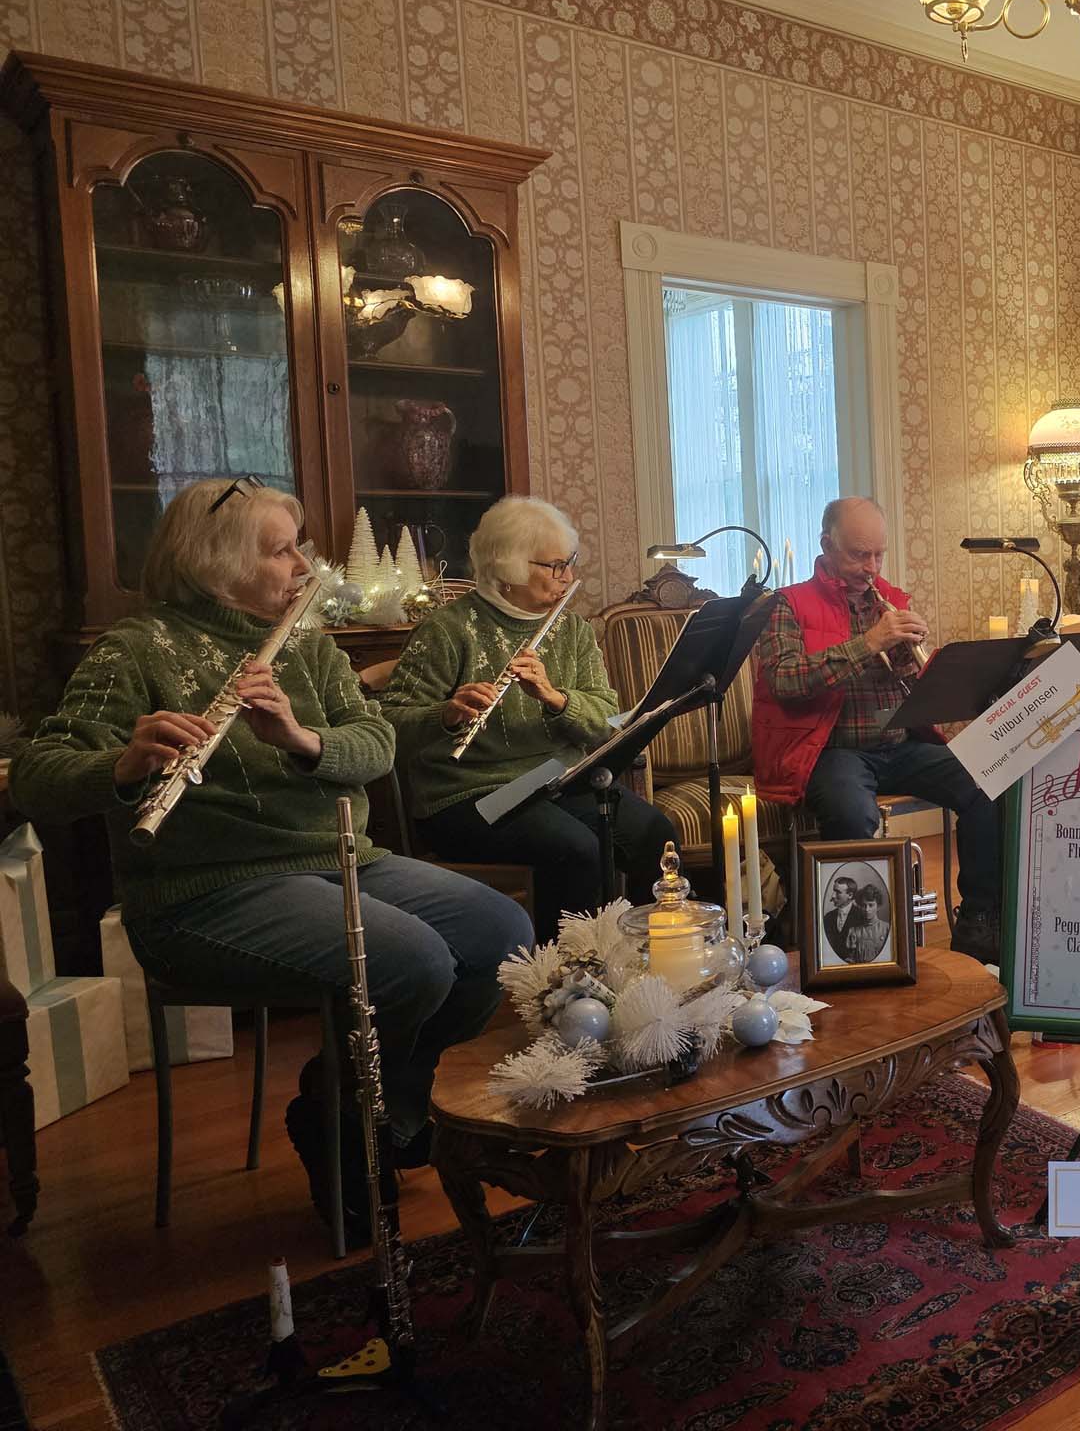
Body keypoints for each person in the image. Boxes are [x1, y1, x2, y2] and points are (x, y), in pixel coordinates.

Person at [10, 477, 532, 1244]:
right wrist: (122, 765)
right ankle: (350, 1132)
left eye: (300, 545)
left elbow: (377, 744)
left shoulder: (307, 642)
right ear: (215, 562)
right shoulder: (135, 649)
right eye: (281, 550)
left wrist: (302, 741)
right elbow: (35, 777)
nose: (302, 565)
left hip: (341, 859)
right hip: (203, 891)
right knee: (412, 961)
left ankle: (367, 1103)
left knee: (501, 932)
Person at [382, 496, 670, 939]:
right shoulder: (447, 629)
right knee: (576, 850)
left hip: (555, 780)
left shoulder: (570, 628)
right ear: (508, 570)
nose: (568, 577)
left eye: (569, 562)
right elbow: (389, 724)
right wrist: (445, 714)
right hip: (467, 797)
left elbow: (604, 724)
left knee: (654, 831)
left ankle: (649, 960)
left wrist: (554, 699)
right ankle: (563, 979)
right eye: (555, 566)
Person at [752, 497, 1003, 962]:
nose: (871, 567)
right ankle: (859, 945)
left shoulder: (891, 599)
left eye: (878, 555)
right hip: (832, 751)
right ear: (826, 545)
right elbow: (785, 680)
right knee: (851, 814)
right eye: (858, 554)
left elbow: (915, 688)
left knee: (989, 780)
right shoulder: (786, 605)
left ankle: (979, 923)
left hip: (900, 744)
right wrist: (868, 644)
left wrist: (913, 664)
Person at [828, 882, 892, 965]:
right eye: (864, 905)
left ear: (878, 906)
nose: (867, 909)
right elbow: (851, 959)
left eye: (871, 905)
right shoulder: (854, 931)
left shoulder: (887, 928)